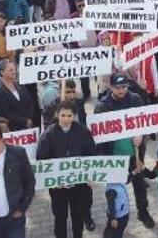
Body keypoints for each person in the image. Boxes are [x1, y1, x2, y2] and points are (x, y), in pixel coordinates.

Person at [94, 73, 155, 229]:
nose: (121, 90)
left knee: (139, 185)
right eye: (117, 87)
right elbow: (98, 135)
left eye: (124, 87)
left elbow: (145, 122)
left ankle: (143, 211)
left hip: (134, 153)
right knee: (114, 189)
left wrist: (141, 135)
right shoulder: (102, 106)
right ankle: (112, 216)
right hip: (114, 155)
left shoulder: (136, 100)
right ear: (111, 87)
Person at [37, 101, 95, 238]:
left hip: (80, 184)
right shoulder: (48, 134)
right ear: (57, 114)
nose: (66, 119)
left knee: (78, 216)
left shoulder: (82, 131)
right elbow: (42, 158)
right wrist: (54, 180)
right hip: (58, 186)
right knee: (60, 217)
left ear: (74, 116)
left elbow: (91, 152)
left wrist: (90, 175)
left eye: (70, 115)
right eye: (63, 115)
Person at [0, 60, 34, 132]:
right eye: (11, 70)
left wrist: (29, 118)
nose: (14, 72)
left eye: (14, 69)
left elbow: (29, 101)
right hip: (12, 128)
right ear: (2, 72)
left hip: (28, 126)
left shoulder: (20, 85)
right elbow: (5, 112)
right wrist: (23, 121)